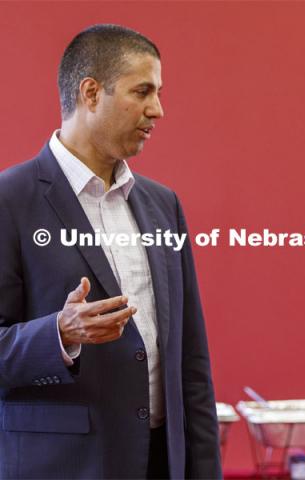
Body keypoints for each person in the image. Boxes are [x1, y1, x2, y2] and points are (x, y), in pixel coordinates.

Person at [0, 24, 221, 479]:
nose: (157, 110)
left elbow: (191, 361)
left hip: (163, 463)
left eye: (158, 93)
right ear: (91, 92)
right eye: (142, 92)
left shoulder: (164, 205)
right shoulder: (9, 200)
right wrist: (58, 335)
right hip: (63, 468)